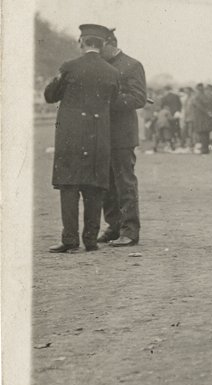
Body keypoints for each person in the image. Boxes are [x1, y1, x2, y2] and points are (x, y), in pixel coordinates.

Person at [43, 24, 121, 253]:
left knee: (69, 187)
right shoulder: (112, 72)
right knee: (95, 188)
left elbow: (50, 96)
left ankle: (69, 240)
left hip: (70, 137)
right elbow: (114, 101)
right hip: (98, 137)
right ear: (102, 45)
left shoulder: (69, 67)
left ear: (81, 42)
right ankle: (90, 240)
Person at [93, 30, 148, 247]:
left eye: (101, 47)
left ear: (112, 43)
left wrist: (107, 100)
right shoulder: (99, 65)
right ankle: (114, 226)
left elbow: (139, 98)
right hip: (101, 135)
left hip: (122, 135)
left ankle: (130, 231)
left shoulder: (132, 65)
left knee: (124, 183)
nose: (98, 52)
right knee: (106, 184)